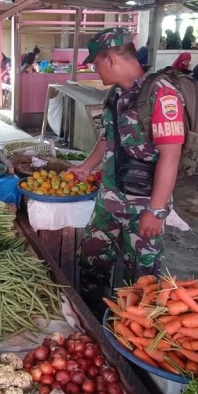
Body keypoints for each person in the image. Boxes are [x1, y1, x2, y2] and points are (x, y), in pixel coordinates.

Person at [69, 28, 185, 315]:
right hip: (109, 200)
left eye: (95, 64)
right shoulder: (116, 95)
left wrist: (157, 210)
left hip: (142, 206)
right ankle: (93, 322)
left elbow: (171, 156)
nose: (95, 71)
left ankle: (133, 341)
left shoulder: (162, 94)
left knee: (143, 279)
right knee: (91, 260)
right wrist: (86, 167)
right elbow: (109, 139)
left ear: (109, 58)